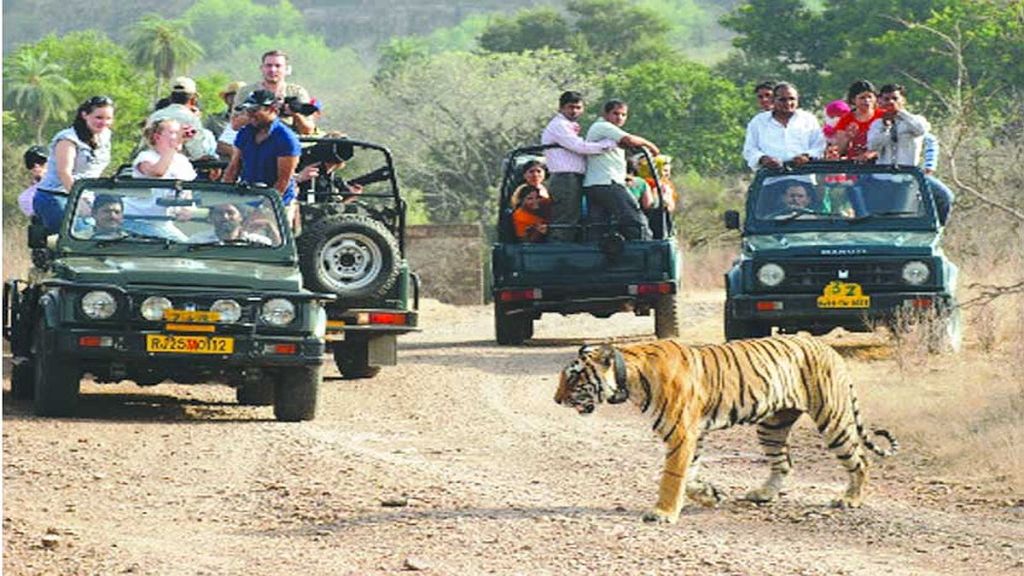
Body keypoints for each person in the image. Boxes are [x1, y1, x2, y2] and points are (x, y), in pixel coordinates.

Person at [866, 83, 954, 224]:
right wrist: (886, 127)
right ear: (880, 101)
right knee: (887, 217)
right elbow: (873, 145)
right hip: (883, 178)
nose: (890, 102)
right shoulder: (877, 124)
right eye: (886, 99)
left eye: (895, 98)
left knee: (944, 196)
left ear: (902, 100)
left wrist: (900, 113)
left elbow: (921, 130)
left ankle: (935, 227)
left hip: (908, 177)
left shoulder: (915, 120)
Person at [540, 91, 619, 241]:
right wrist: (606, 145)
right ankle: (558, 254)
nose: (574, 111)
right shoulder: (559, 125)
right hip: (565, 178)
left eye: (578, 107)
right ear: (561, 108)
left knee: (575, 218)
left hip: (574, 178)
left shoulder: (570, 126)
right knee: (565, 220)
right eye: (570, 107)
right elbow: (579, 147)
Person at [34, 96, 115, 233]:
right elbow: (64, 172)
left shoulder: (105, 135)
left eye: (108, 118)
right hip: (57, 196)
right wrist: (77, 200)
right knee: (80, 236)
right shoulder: (68, 138)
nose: (103, 122)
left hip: (87, 196)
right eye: (99, 117)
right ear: (85, 115)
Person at [222, 89, 302, 228]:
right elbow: (233, 167)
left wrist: (263, 210)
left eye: (254, 110)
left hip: (277, 202)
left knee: (267, 239)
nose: (250, 115)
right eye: (247, 111)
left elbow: (282, 181)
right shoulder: (246, 132)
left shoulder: (286, 139)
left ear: (271, 109)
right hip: (248, 196)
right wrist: (224, 198)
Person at [583, 99, 660, 241]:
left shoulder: (609, 132)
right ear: (605, 114)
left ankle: (596, 260)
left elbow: (625, 144)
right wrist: (652, 146)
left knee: (598, 226)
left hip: (595, 184)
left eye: (623, 115)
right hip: (607, 182)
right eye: (615, 113)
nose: (619, 118)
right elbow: (629, 140)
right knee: (635, 220)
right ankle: (647, 252)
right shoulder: (603, 126)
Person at [124, 119, 198, 241]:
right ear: (157, 137)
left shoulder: (183, 162)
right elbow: (157, 172)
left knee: (188, 246)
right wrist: (173, 147)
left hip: (162, 223)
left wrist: (187, 209)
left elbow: (187, 191)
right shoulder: (146, 156)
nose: (179, 136)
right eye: (173, 132)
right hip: (136, 218)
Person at [742, 82, 825, 171]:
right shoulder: (758, 122)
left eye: (792, 99)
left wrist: (807, 156)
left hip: (804, 176)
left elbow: (819, 146)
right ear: (773, 100)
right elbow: (749, 149)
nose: (788, 103)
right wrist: (763, 159)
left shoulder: (808, 119)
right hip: (770, 177)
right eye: (782, 99)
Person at [232, 50, 313, 134]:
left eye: (278, 66)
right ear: (262, 68)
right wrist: (256, 111)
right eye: (268, 65)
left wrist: (294, 113)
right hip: (254, 141)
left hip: (287, 141)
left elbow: (308, 130)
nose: (272, 70)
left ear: (287, 69)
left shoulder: (297, 92)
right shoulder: (246, 91)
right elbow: (235, 125)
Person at [146, 76, 217, 162]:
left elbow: (147, 142)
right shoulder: (190, 118)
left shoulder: (155, 116)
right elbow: (195, 147)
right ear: (193, 99)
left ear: (171, 98)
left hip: (153, 164)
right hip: (178, 166)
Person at [834, 80, 883, 161]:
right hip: (855, 165)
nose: (867, 101)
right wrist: (847, 137)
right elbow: (839, 150)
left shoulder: (883, 116)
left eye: (870, 97)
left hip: (880, 164)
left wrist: (871, 154)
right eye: (862, 98)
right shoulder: (846, 119)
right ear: (853, 100)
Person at [188, 202, 273, 245]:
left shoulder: (259, 243)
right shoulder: (197, 241)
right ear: (211, 218)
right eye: (219, 213)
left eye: (230, 213)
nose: (225, 217)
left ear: (241, 218)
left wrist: (270, 226)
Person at [206, 80, 246, 159]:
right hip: (222, 164)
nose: (236, 99)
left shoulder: (255, 120)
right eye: (233, 95)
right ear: (226, 99)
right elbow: (207, 143)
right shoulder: (214, 120)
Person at [17, 145, 48, 217]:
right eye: (30, 162)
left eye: (40, 161)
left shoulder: (67, 183)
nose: (36, 165)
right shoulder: (25, 197)